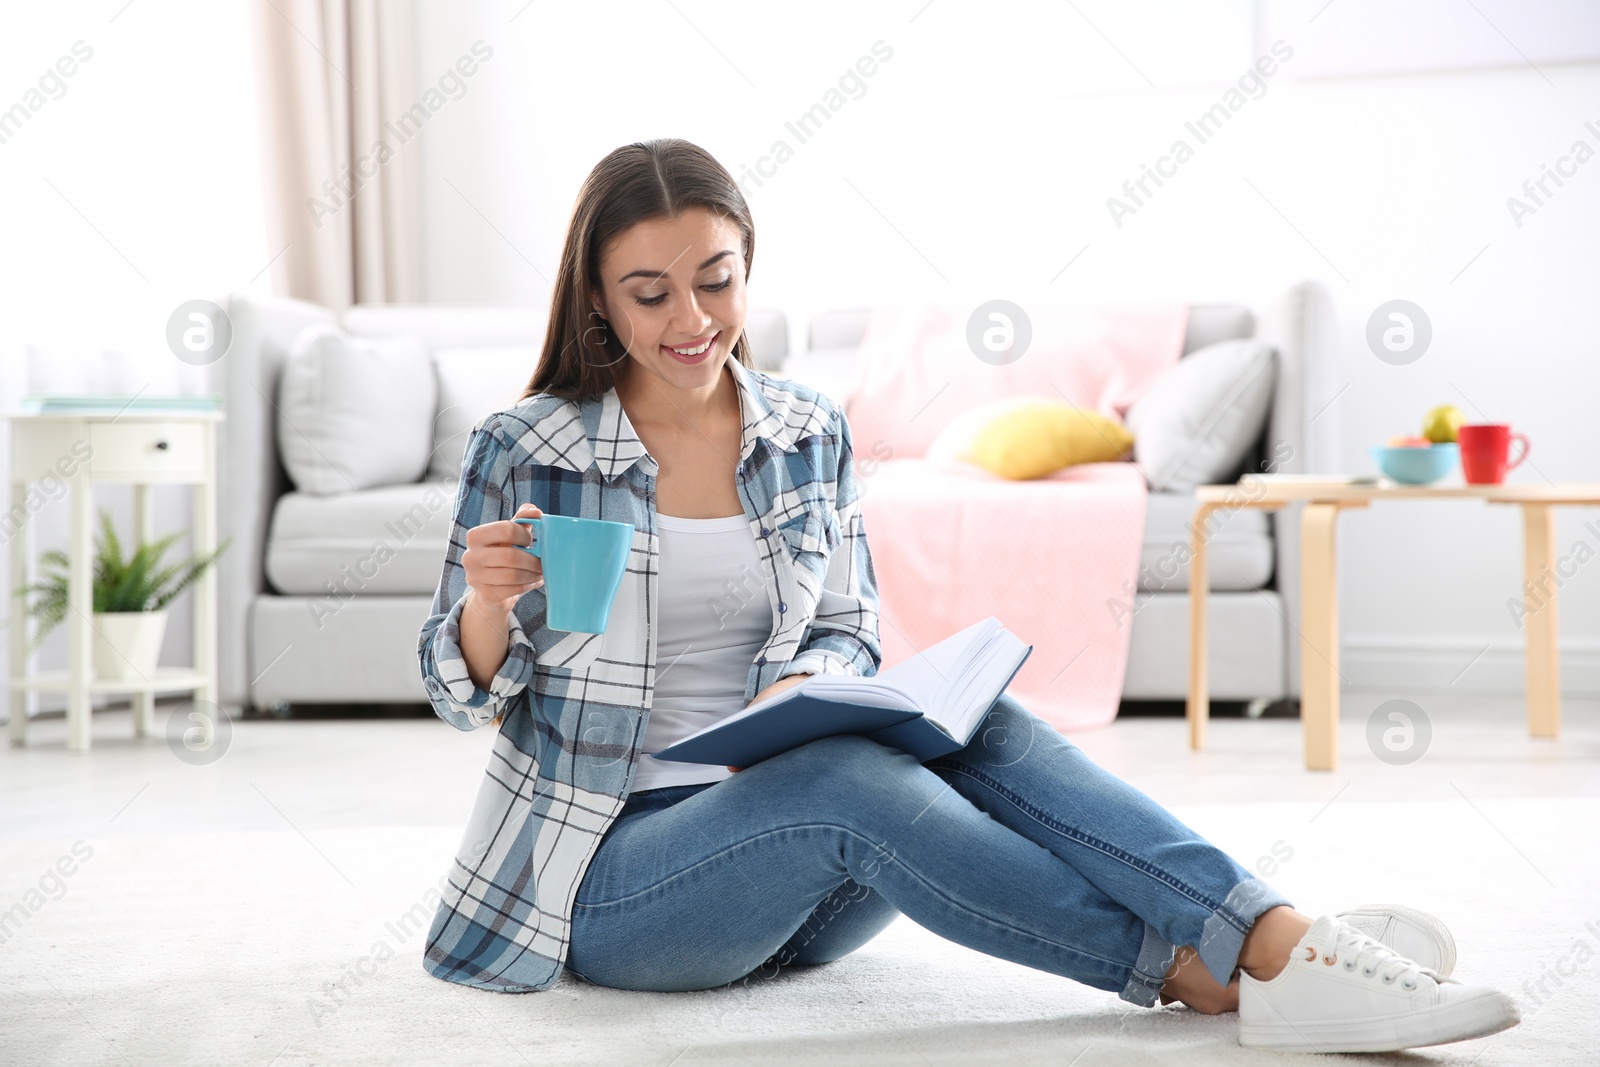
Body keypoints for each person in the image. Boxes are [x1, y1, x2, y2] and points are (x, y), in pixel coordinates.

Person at [416, 138, 1520, 1054]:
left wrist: (816, 677)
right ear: (599, 300)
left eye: (717, 277)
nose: (693, 317)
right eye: (650, 293)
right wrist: (483, 606)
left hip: (805, 890)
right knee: (849, 778)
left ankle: (1267, 929)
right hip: (611, 886)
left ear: (748, 265)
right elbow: (459, 696)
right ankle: (1222, 976)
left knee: (972, 717)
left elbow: (848, 625)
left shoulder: (804, 429)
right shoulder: (529, 446)